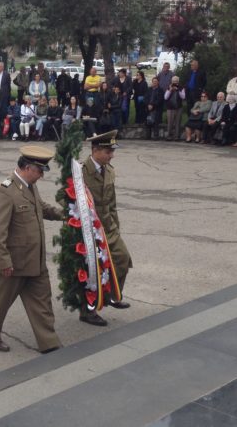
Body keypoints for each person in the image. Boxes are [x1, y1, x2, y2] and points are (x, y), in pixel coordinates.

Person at [0, 145, 65, 353]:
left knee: (42, 301)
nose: (41, 176)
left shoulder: (29, 185)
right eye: (39, 171)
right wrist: (3, 261)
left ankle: (49, 342)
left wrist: (64, 214)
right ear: (27, 167)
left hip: (34, 259)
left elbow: (41, 207)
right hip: (14, 262)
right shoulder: (4, 191)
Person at [79, 130, 132, 327]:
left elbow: (112, 202)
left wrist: (115, 226)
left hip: (108, 226)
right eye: (108, 152)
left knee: (122, 258)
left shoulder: (109, 170)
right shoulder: (80, 171)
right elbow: (65, 199)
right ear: (96, 150)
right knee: (90, 270)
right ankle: (87, 310)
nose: (112, 155)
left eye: (112, 151)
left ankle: (111, 294)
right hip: (88, 227)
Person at [163, 75, 185, 141]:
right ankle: (169, 136)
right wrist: (170, 90)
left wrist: (178, 90)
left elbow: (183, 97)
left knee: (178, 122)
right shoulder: (169, 87)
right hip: (170, 108)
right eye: (173, 81)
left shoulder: (181, 88)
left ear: (178, 81)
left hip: (178, 107)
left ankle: (177, 136)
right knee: (170, 122)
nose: (175, 83)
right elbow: (165, 97)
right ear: (171, 81)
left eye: (176, 81)